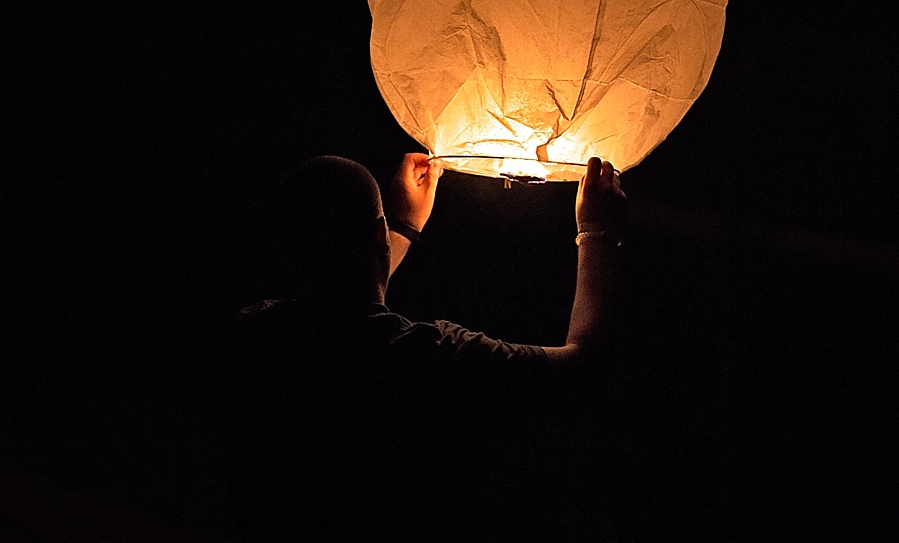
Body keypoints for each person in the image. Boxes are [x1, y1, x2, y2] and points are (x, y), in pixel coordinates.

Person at [225, 152, 628, 541]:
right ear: (377, 236)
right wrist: (598, 232)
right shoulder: (432, 356)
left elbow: (338, 310)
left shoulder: (253, 336)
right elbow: (586, 364)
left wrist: (401, 228)